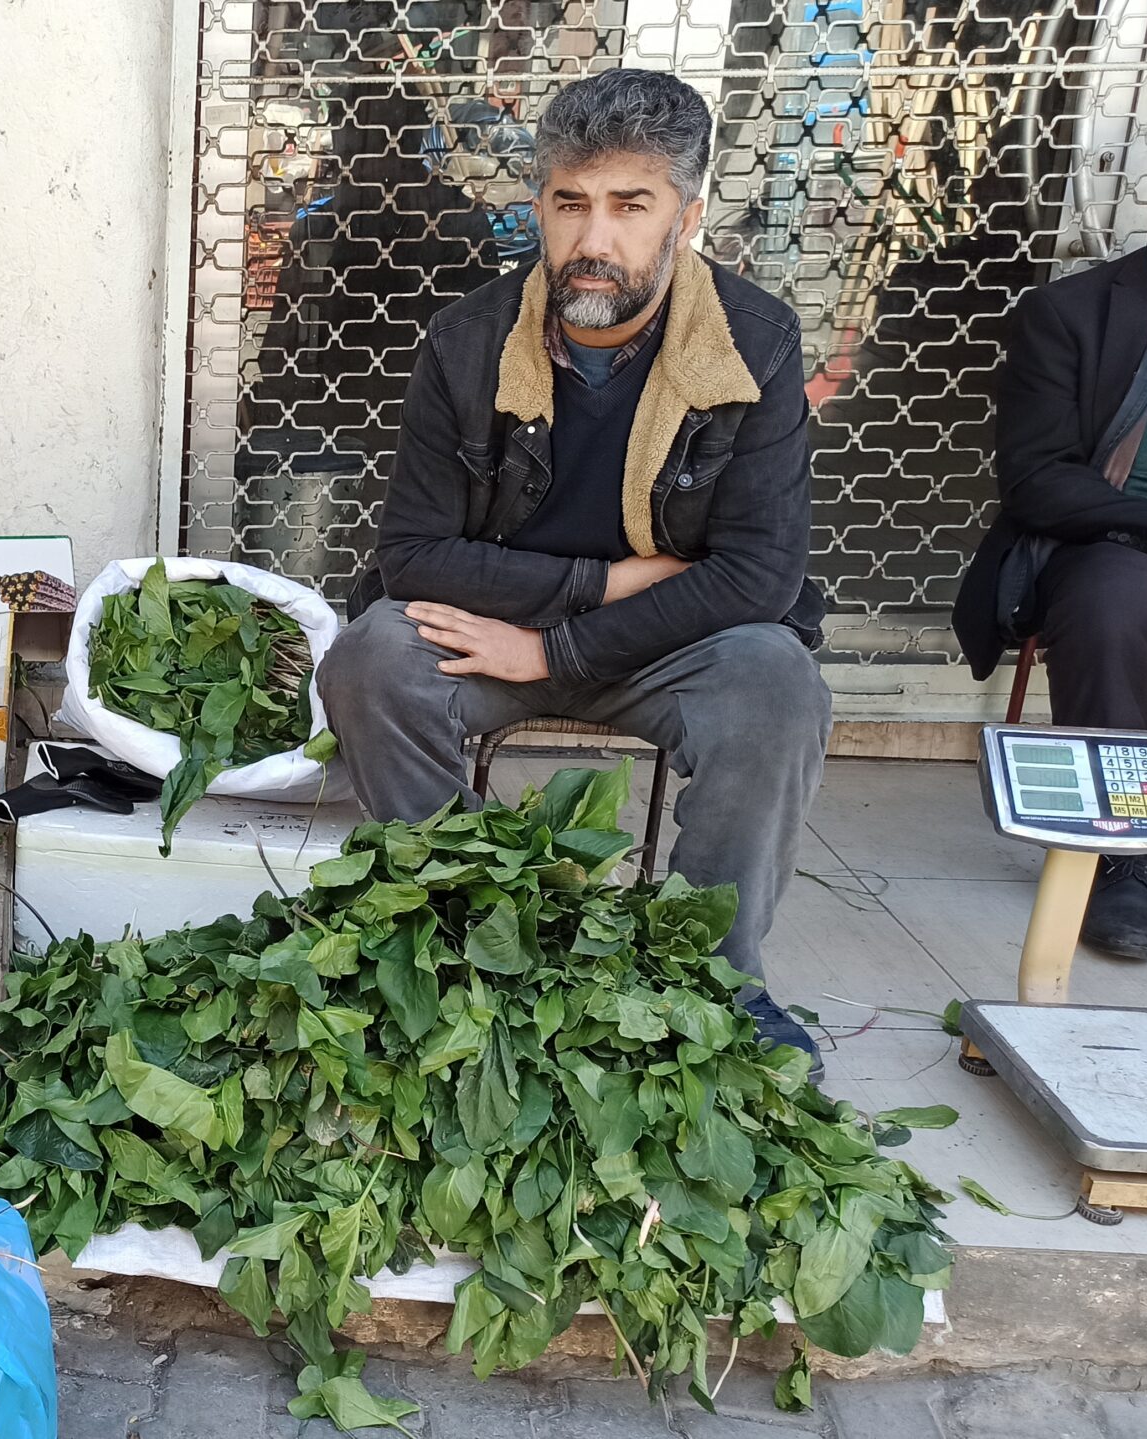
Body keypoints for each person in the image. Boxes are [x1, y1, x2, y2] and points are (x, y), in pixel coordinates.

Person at [316, 68, 831, 1073]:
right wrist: (595, 590)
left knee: (775, 680)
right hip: (514, 629)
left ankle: (716, 976)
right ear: (539, 207)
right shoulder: (467, 342)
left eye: (629, 205)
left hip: (675, 641)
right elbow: (413, 554)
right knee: (372, 659)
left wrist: (558, 642)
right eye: (569, 204)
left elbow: (758, 576)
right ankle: (462, 939)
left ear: (685, 215)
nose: (593, 240)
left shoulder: (755, 342)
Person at [952, 122, 1147, 962]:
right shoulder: (1068, 313)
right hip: (1120, 545)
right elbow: (1035, 478)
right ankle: (1122, 856)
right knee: (1107, 603)